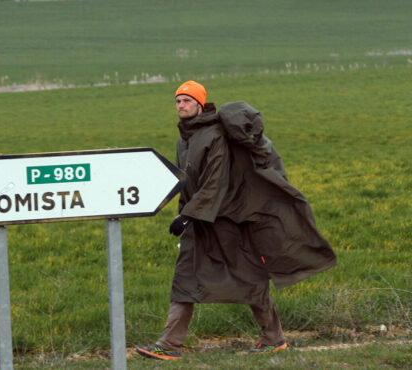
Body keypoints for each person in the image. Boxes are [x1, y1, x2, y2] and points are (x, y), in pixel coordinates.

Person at [135, 80, 337, 361]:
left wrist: (187, 215)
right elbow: (189, 182)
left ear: (200, 104)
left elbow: (215, 182)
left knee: (249, 279)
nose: (180, 105)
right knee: (184, 280)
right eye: (178, 101)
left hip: (228, 222)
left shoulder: (213, 135)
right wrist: (184, 213)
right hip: (202, 222)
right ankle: (170, 344)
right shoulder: (185, 140)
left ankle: (273, 338)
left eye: (186, 100)